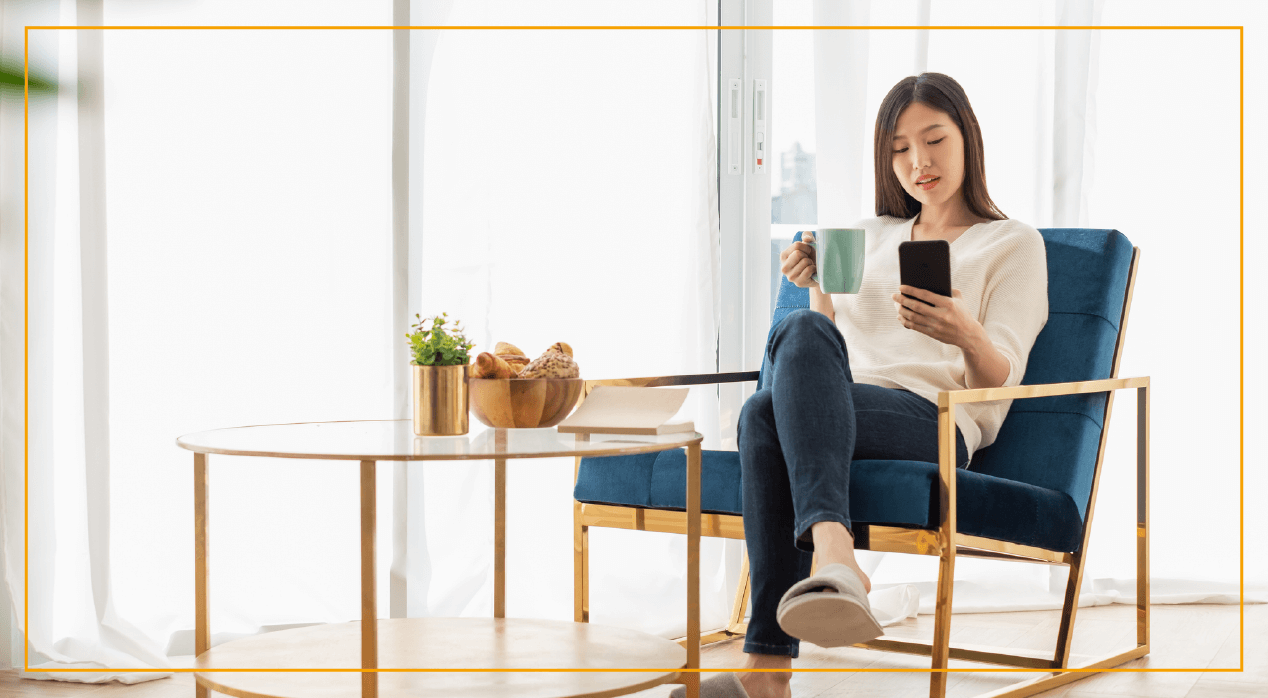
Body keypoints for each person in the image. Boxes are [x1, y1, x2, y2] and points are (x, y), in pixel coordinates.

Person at [675, 72, 1049, 698]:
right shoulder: (870, 236)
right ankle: (824, 574)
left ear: (968, 138)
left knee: (763, 414)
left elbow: (1001, 376)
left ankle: (779, 648)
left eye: (934, 140)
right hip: (839, 410)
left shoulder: (1010, 243)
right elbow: (819, 353)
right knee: (776, 389)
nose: (918, 162)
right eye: (900, 148)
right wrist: (816, 288)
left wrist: (963, 331)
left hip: (934, 420)